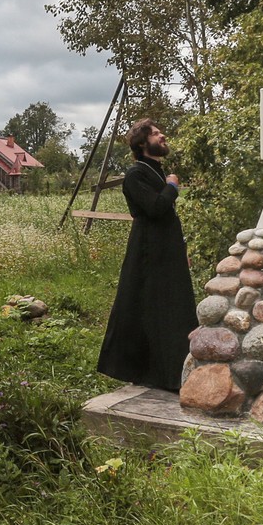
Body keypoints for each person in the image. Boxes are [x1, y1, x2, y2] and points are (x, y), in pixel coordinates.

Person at [97, 118, 198, 392]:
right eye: (155, 133)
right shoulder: (135, 175)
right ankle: (153, 374)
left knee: (175, 309)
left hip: (167, 250)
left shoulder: (155, 171)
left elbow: (168, 219)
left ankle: (175, 373)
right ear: (142, 143)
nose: (162, 135)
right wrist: (172, 187)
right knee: (151, 310)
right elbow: (155, 208)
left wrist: (181, 250)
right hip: (148, 254)